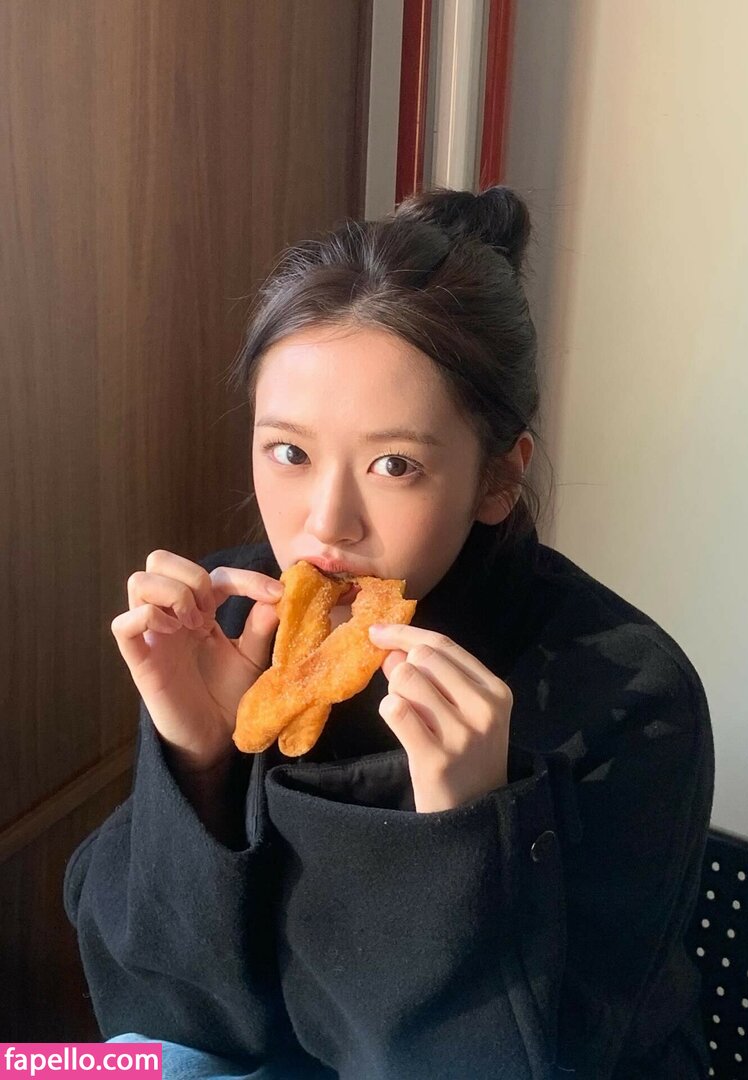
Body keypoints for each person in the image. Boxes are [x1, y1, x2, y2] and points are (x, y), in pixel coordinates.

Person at [64, 187, 714, 1079]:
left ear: (497, 478)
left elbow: (563, 1053)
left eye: (394, 465)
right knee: (52, 1067)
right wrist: (197, 762)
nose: (325, 523)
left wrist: (460, 834)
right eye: (289, 452)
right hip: (249, 1055)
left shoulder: (629, 694)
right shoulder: (228, 622)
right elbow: (159, 1020)